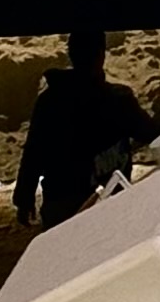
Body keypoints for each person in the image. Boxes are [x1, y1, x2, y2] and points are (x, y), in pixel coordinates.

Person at [12, 30, 152, 230]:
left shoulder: (50, 100)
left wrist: (24, 198)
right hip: (109, 201)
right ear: (101, 54)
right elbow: (149, 132)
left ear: (71, 54)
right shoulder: (117, 99)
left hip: (61, 201)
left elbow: (34, 151)